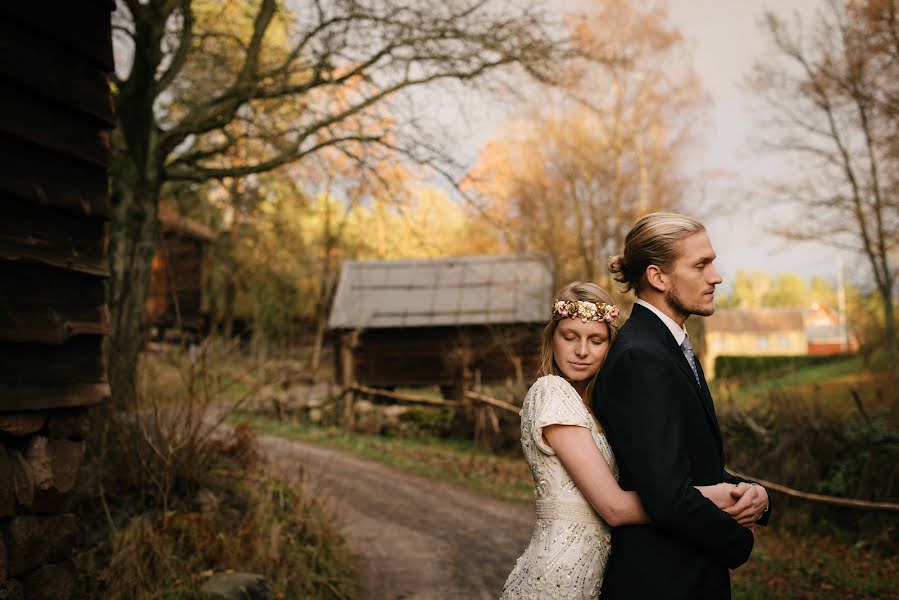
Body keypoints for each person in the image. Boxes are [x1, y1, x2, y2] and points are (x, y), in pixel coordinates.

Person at [500, 281, 743, 600]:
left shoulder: (596, 406)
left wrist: (744, 489)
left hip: (600, 577)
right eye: (569, 337)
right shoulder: (552, 393)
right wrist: (713, 497)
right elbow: (614, 507)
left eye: (596, 340)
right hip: (558, 578)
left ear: (610, 344)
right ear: (552, 339)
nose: (582, 351)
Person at [594, 212, 771, 600]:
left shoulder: (666, 346)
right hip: (666, 580)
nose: (716, 277)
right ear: (658, 277)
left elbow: (688, 464)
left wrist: (750, 492)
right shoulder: (641, 357)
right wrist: (738, 543)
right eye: (701, 265)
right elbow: (667, 496)